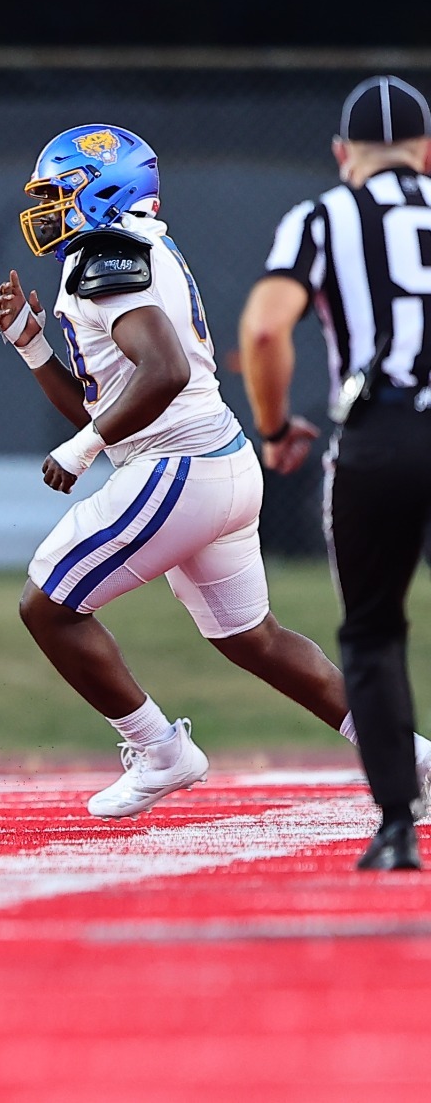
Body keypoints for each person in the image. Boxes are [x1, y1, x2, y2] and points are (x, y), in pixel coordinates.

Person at [0, 124, 413, 827]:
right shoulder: (130, 248)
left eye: (62, 191)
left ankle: (158, 749)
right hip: (215, 463)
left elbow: (164, 371)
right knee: (254, 638)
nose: (49, 208)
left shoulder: (104, 254)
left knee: (49, 603)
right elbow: (109, 396)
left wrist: (84, 448)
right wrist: (35, 348)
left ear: (104, 189)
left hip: (176, 467)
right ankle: (409, 754)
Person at [238, 75, 431, 871]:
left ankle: (396, 827)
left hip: (380, 432)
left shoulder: (321, 216)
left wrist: (277, 427)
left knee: (373, 630)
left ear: (342, 154)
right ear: (428, 153)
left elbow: (262, 331)